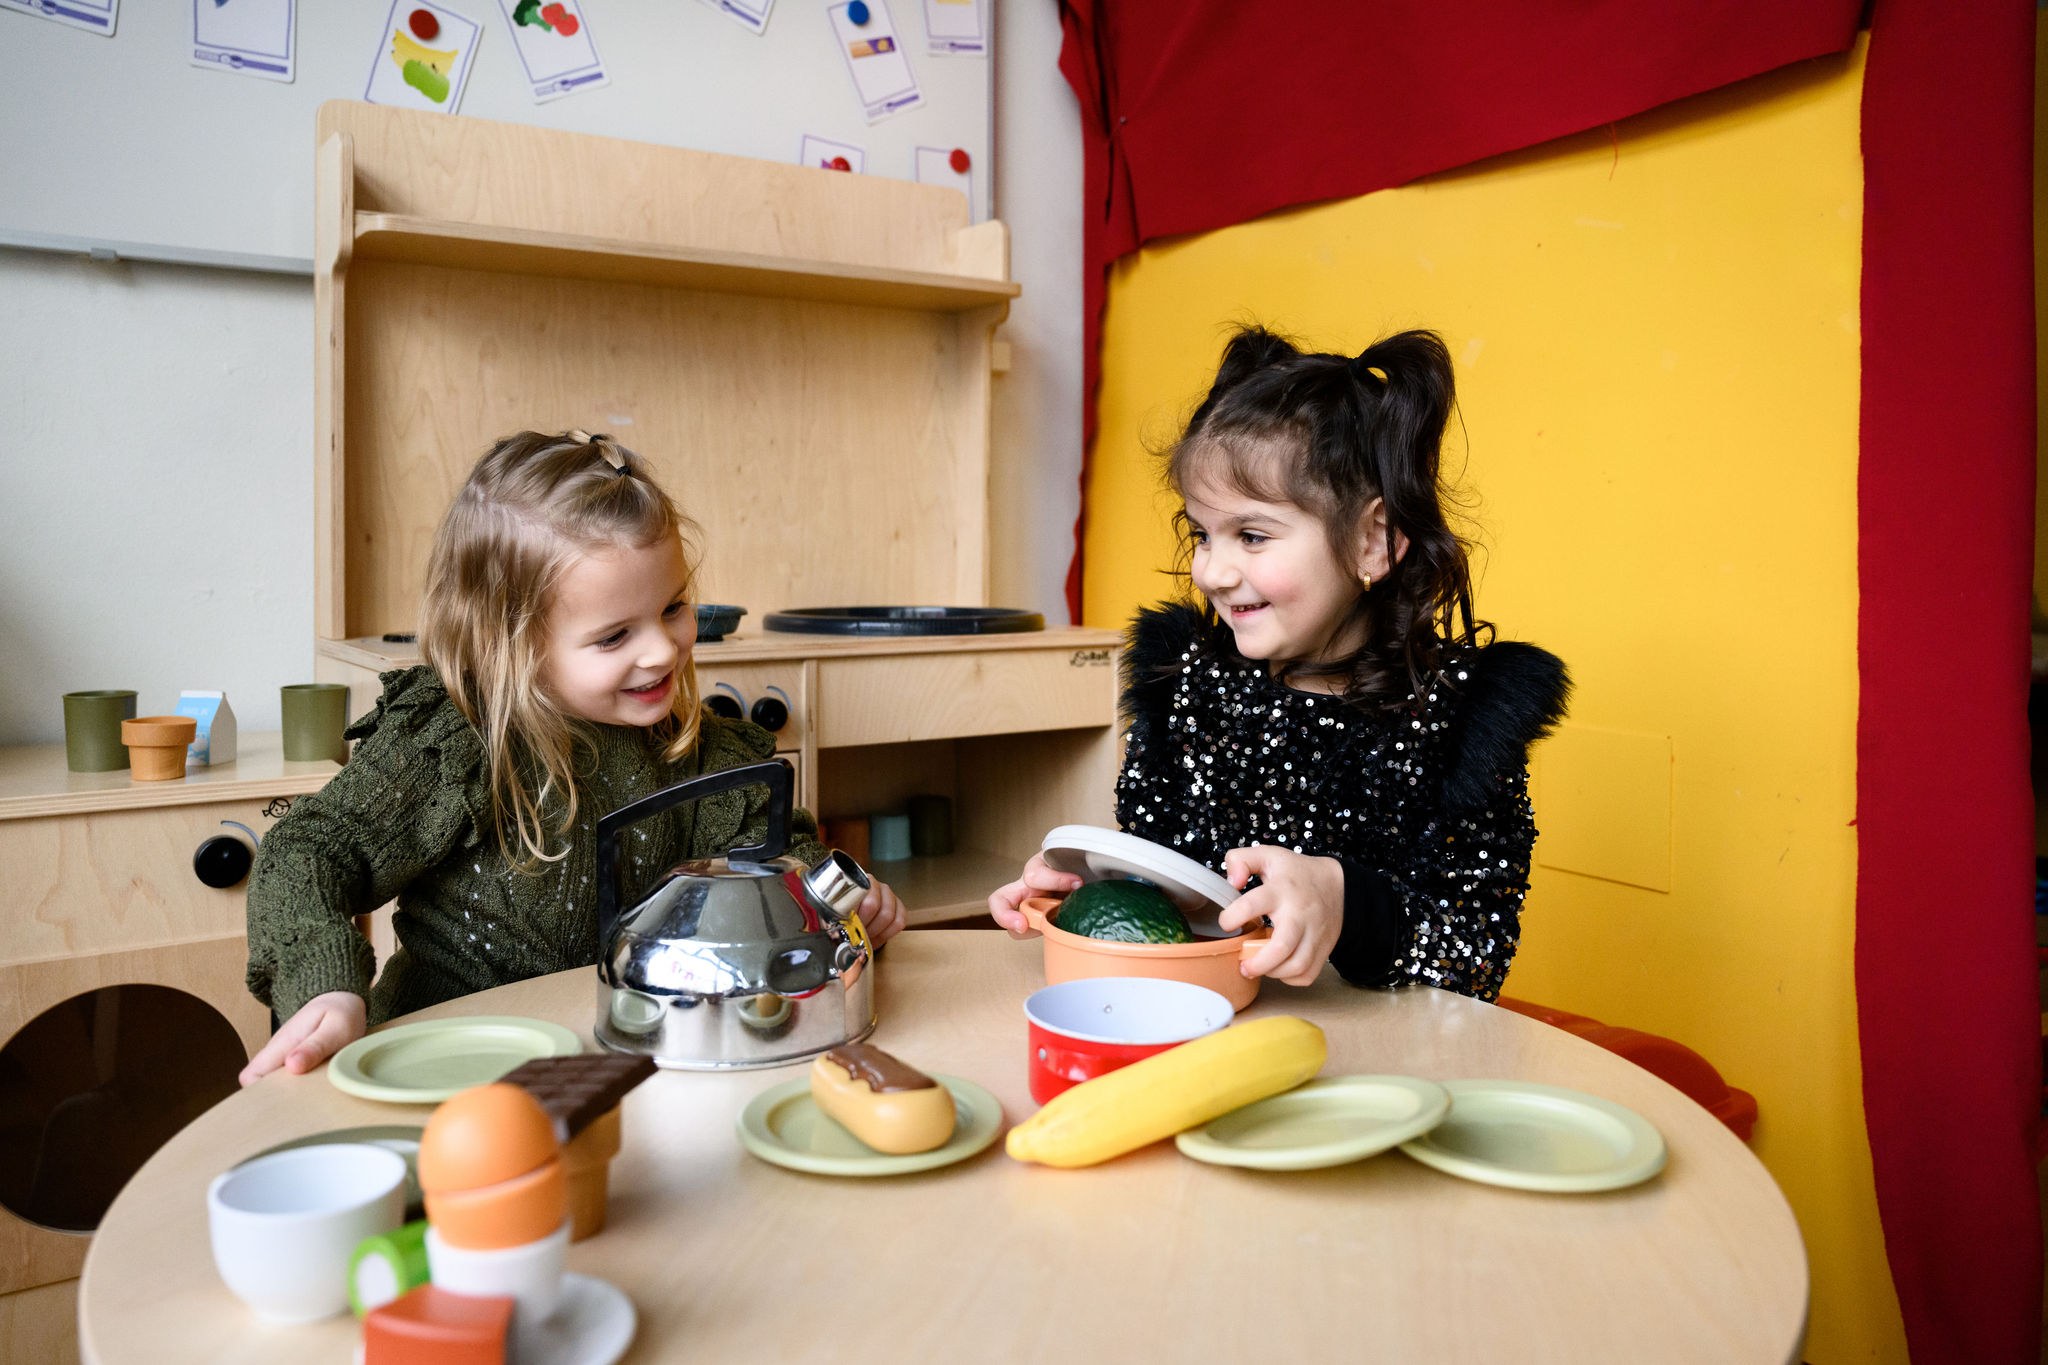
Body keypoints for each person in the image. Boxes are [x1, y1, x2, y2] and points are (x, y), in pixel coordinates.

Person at [242, 430, 905, 1083]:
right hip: (447, 1063)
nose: (663, 650)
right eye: (615, 634)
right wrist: (326, 987)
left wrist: (837, 903)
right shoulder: (456, 745)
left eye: (673, 607)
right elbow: (309, 851)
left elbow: (777, 857)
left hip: (630, 1059)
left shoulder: (707, 756)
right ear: (512, 642)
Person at [990, 327, 1567, 1001]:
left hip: (1374, 1068)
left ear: (1373, 541)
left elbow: (1472, 957)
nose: (1212, 568)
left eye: (1253, 535)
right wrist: (1084, 890)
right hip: (1212, 1034)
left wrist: (1344, 901)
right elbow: (1171, 888)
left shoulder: (1458, 724)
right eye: (1202, 533)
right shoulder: (1187, 688)